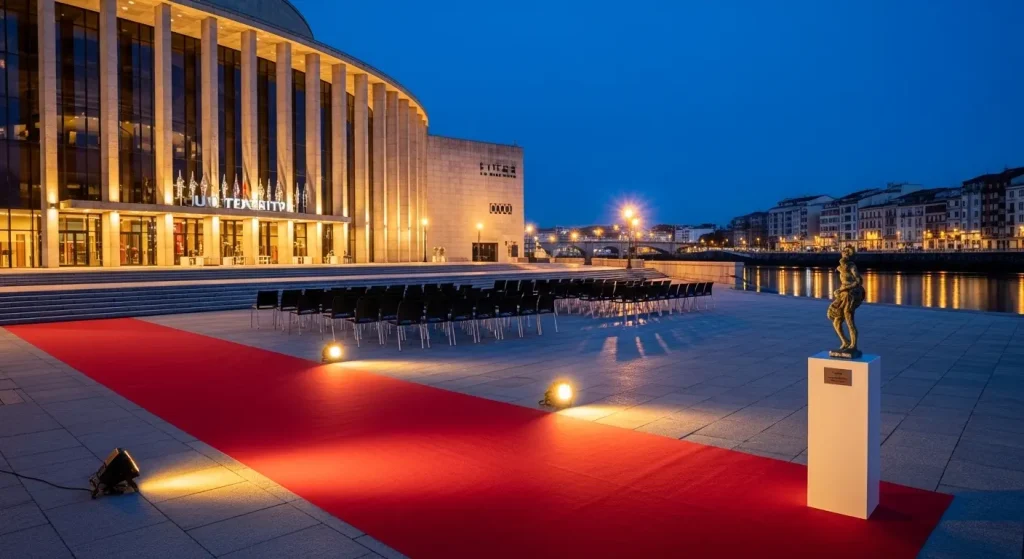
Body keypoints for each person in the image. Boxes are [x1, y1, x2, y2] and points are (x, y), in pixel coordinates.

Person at [827, 246, 865, 352]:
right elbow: (843, 283)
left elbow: (858, 281)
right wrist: (838, 290)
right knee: (836, 321)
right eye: (844, 252)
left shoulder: (851, 266)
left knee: (849, 319)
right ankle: (845, 341)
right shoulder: (840, 268)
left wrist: (845, 288)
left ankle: (853, 345)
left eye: (847, 253)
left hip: (852, 294)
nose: (844, 254)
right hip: (843, 294)